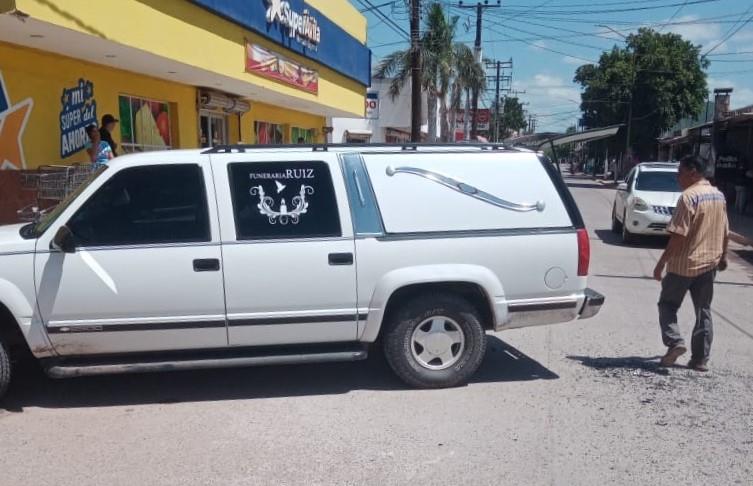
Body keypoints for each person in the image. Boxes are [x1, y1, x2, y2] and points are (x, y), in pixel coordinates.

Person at [653, 155, 729, 372]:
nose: (677, 177)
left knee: (667, 305)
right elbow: (724, 230)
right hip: (709, 264)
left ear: (693, 172)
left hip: (683, 265)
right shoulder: (718, 196)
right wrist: (723, 256)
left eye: (680, 172)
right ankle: (700, 360)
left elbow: (678, 236)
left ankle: (675, 342)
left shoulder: (688, 197)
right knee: (703, 310)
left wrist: (660, 264)